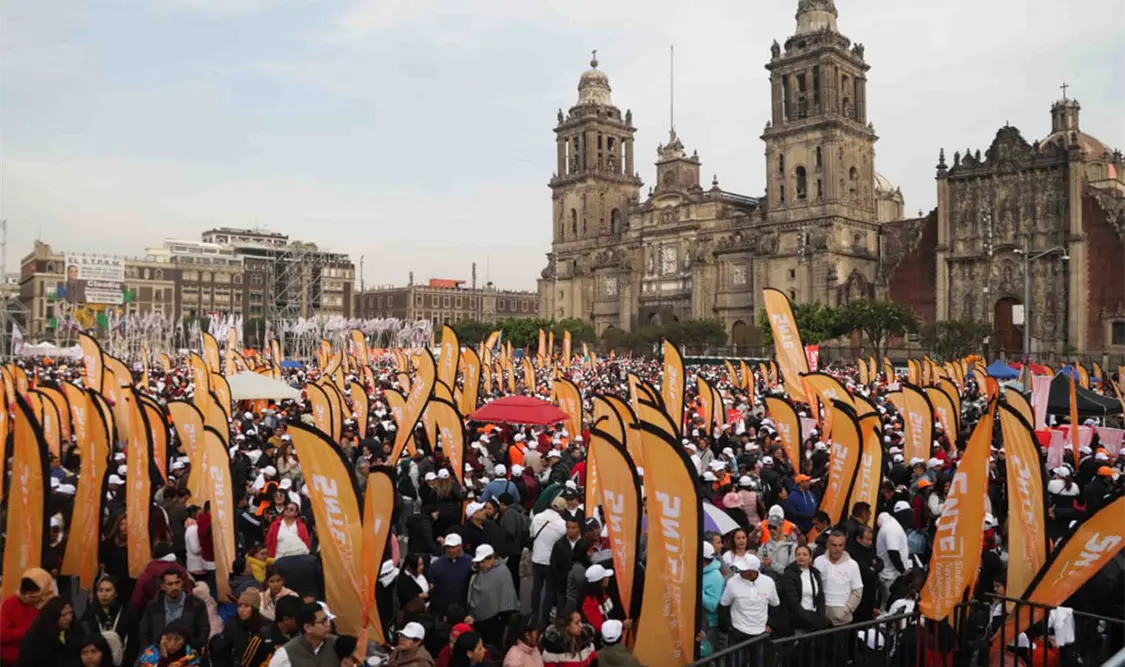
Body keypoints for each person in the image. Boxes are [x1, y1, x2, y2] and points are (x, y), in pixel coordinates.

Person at [137, 569, 210, 654]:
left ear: (182, 583)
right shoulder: (153, 606)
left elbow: (204, 630)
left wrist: (195, 648)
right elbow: (144, 632)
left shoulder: (196, 604)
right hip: (158, 652)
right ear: (162, 586)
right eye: (170, 584)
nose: (174, 587)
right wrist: (148, 650)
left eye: (177, 583)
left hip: (188, 651)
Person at [719, 554, 779, 645]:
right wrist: (728, 627)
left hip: (760, 633)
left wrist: (771, 626)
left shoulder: (768, 582)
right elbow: (724, 605)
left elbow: (775, 605)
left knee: (757, 659)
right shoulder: (732, 582)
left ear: (753, 571)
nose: (741, 571)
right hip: (737, 631)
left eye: (744, 570)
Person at [80, 575, 134, 667]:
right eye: (100, 590)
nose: (104, 594)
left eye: (108, 590)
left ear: (116, 593)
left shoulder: (127, 612)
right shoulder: (90, 613)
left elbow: (133, 640)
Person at [812, 532, 863, 626]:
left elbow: (857, 591)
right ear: (828, 545)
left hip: (843, 620)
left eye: (841, 545)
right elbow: (814, 586)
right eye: (834, 545)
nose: (838, 549)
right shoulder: (818, 561)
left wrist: (846, 609)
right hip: (822, 617)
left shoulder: (852, 565)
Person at [0, 570, 50, 665]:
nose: (27, 597)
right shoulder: (10, 603)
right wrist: (27, 632)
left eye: (33, 596)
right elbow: (2, 634)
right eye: (25, 592)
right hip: (13, 658)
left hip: (37, 656)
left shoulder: (44, 603)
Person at [777, 545, 830, 635]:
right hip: (798, 620)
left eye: (805, 554)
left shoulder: (815, 573)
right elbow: (793, 603)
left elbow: (820, 597)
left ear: (810, 557)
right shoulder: (789, 575)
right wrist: (812, 619)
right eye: (798, 555)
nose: (801, 557)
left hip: (815, 616)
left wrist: (820, 616)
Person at [529, 497, 567, 622]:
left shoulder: (537, 517)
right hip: (550, 561)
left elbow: (532, 534)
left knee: (536, 587)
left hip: (536, 558)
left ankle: (534, 613)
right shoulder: (562, 525)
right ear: (562, 510)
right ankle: (544, 617)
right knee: (550, 590)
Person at [268, 602, 338, 667]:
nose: (328, 624)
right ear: (308, 628)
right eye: (323, 621)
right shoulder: (287, 653)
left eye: (328, 619)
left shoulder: (337, 644)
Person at [211, 588, 266, 667]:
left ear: (254, 609)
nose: (241, 610)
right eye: (240, 606)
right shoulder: (232, 625)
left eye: (246, 606)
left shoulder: (264, 626)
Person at [16, 597, 78, 667]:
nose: (69, 618)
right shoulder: (36, 638)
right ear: (54, 614)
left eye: (70, 613)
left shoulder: (73, 632)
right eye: (64, 615)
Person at [430, 534, 474, 617]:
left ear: (460, 546)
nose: (450, 550)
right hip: (442, 611)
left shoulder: (471, 563)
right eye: (448, 547)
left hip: (463, 609)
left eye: (453, 547)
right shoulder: (436, 565)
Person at [136, 619, 202, 667]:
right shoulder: (150, 654)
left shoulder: (191, 656)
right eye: (169, 638)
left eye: (177, 639)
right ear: (163, 639)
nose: (172, 644)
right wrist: (164, 657)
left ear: (184, 641)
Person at [699, 542, 724, 656]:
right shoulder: (697, 571)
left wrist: (697, 591)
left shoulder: (716, 577)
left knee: (705, 656)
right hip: (694, 622)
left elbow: (712, 605)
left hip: (708, 626)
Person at [577, 565, 616, 634]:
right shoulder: (589, 602)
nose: (608, 578)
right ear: (599, 581)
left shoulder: (603, 592)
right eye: (605, 577)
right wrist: (621, 625)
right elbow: (599, 627)